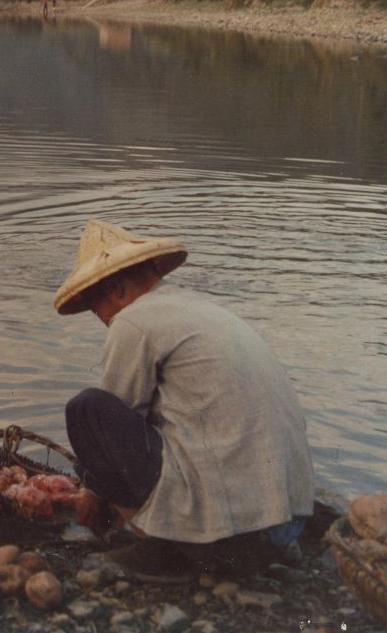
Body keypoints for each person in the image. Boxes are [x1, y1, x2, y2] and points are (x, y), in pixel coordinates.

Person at [56, 219, 314, 583]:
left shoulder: (134, 320)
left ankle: (168, 549)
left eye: (94, 306)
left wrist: (92, 496)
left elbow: (113, 419)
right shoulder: (202, 310)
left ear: (116, 290)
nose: (100, 320)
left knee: (87, 411)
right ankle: (256, 544)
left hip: (229, 536)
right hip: (286, 520)